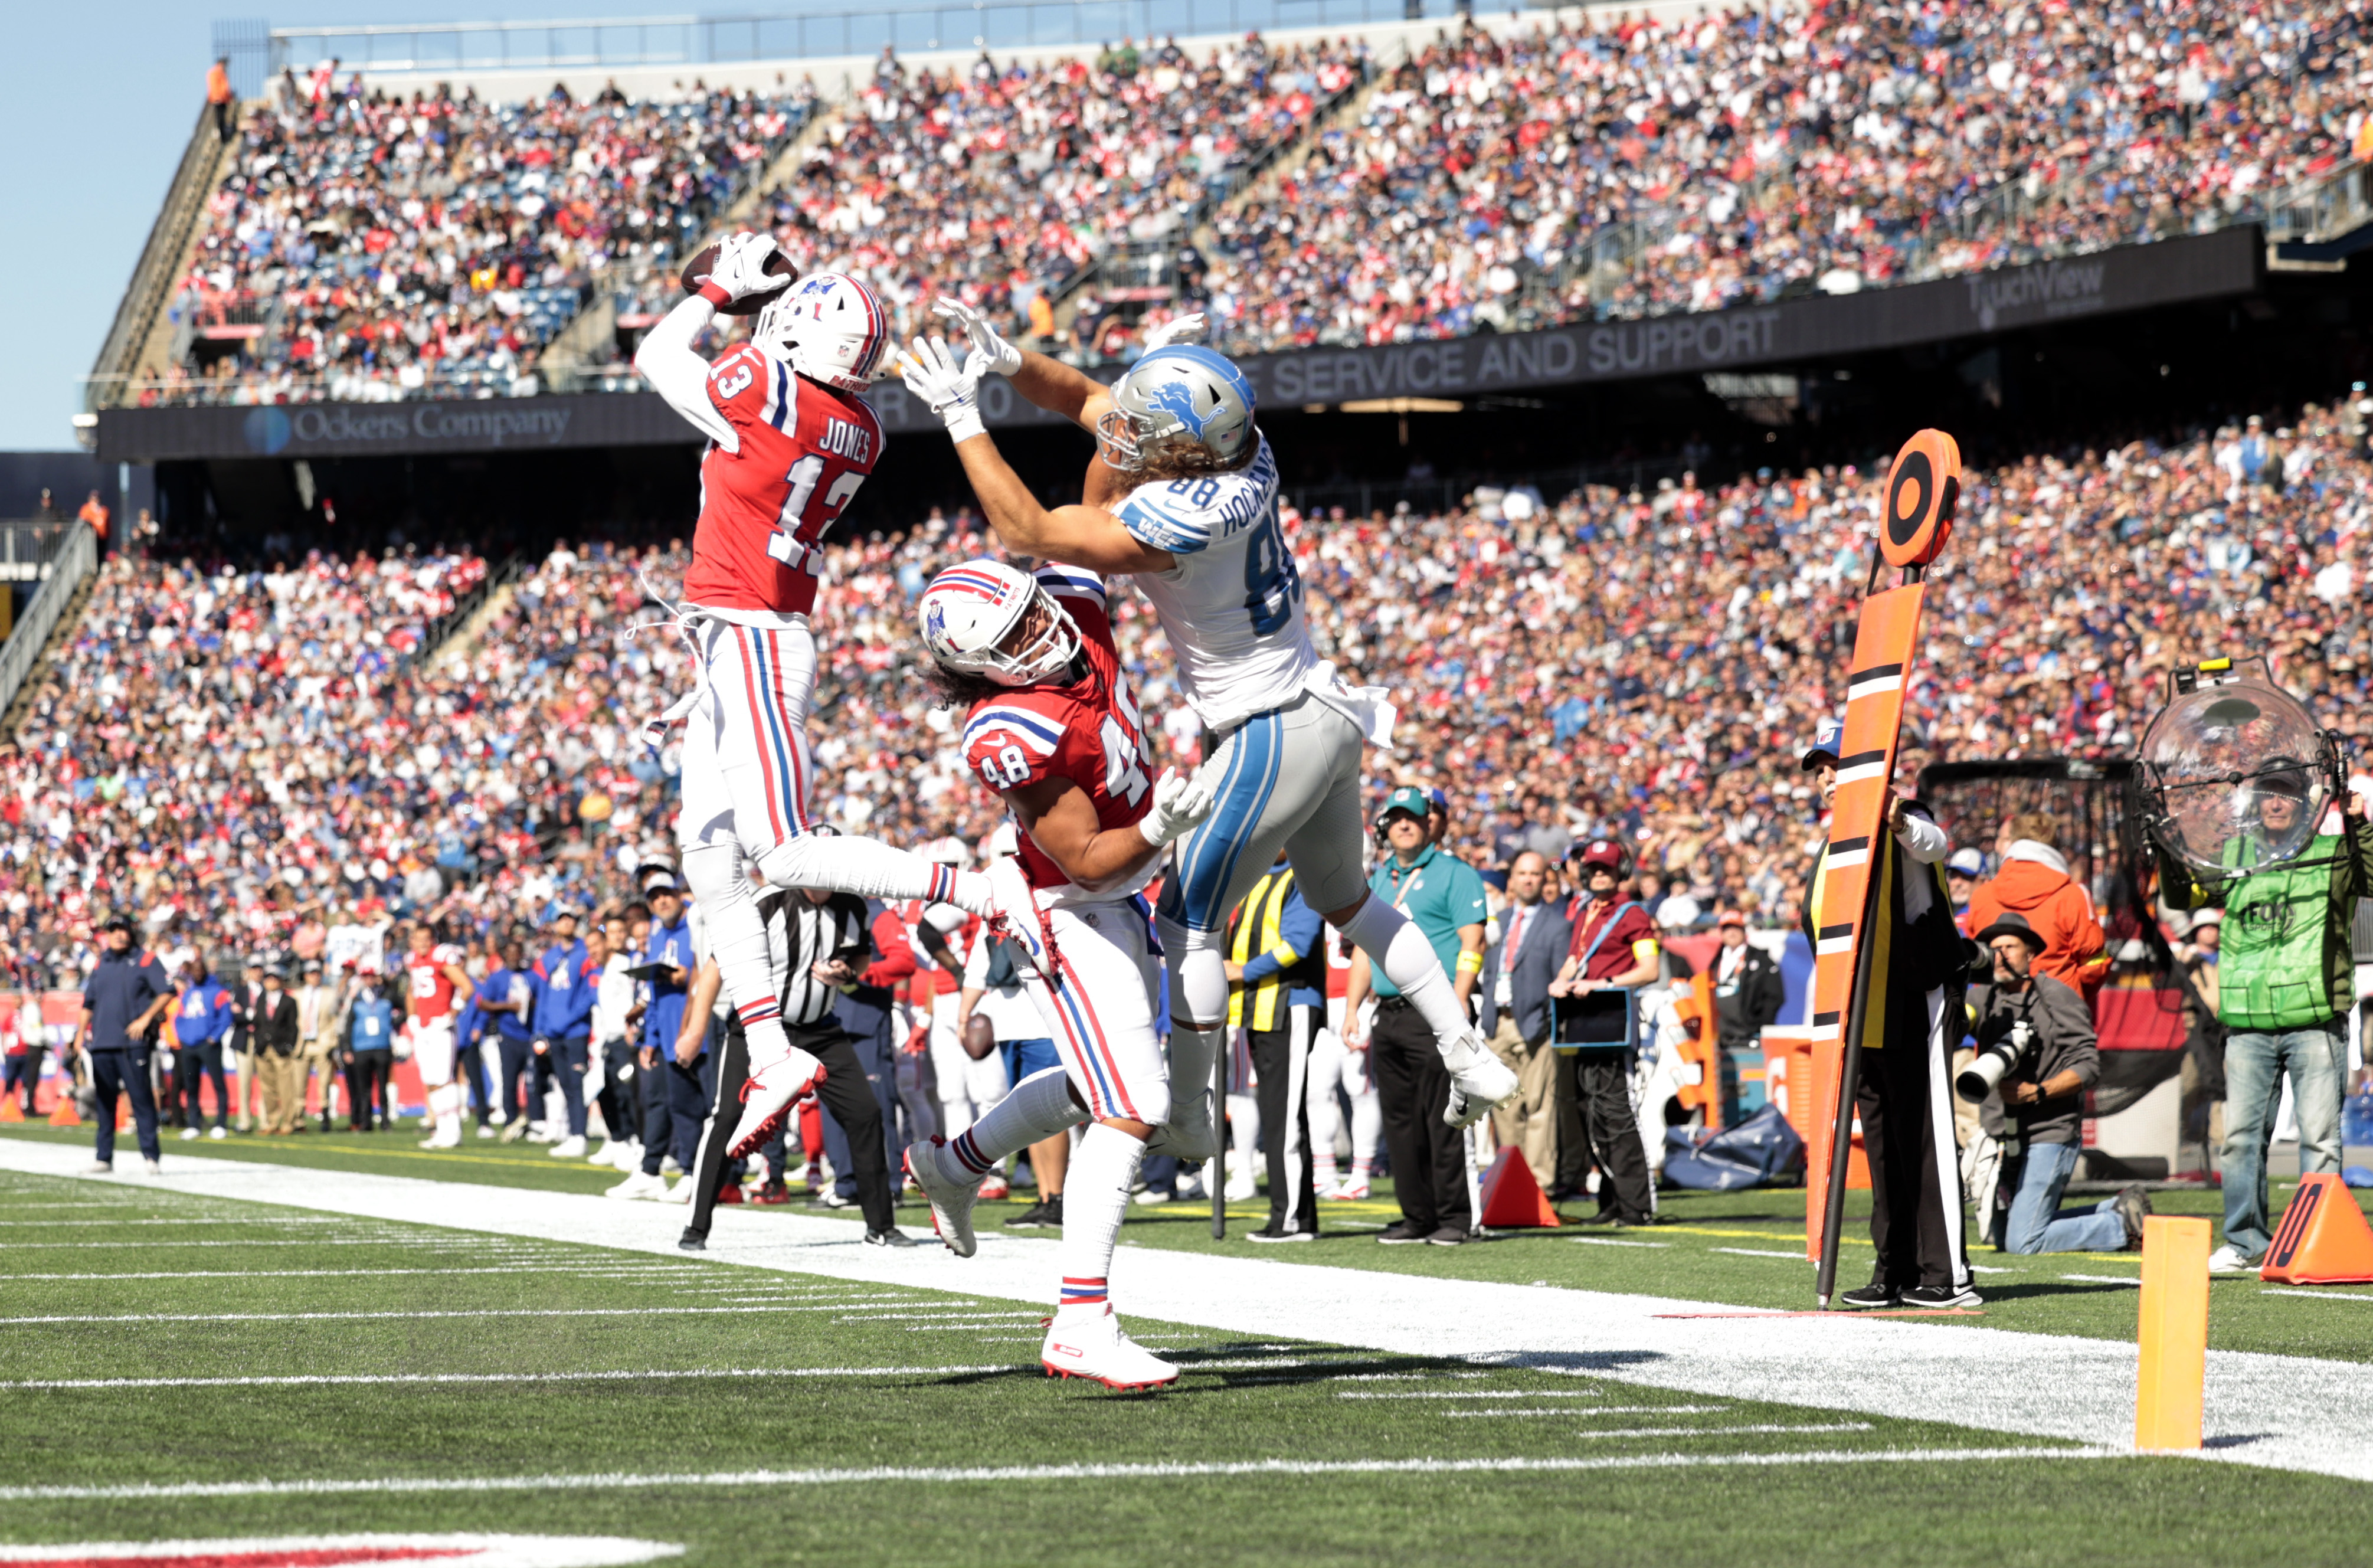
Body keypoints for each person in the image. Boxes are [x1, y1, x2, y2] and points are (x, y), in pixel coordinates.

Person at [898, 304, 1517, 1175]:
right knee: (1353, 902)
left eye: (1150, 428)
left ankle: (1190, 1117)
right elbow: (1095, 406)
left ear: (1182, 449)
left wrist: (964, 414)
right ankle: (1467, 1050)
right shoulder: (1245, 453)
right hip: (1327, 714)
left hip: (1268, 730)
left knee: (1187, 921)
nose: (1129, 432)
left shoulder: (1182, 519)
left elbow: (1032, 533)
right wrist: (1009, 361)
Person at [633, 234, 996, 1163]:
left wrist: (718, 287)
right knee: (705, 855)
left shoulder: (766, 385)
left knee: (780, 848)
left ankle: (972, 889)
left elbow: (656, 356)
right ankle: (766, 1050)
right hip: (740, 635)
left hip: (753, 634)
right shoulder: (860, 428)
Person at [902, 557, 1216, 1390]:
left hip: (1113, 895)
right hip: (1065, 904)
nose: (1042, 630)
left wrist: (986, 420)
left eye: (1033, 611)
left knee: (1099, 1083)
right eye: (1014, 636)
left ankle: (958, 1163)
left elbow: (1059, 528)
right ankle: (1081, 1320)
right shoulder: (1010, 727)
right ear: (981, 667)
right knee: (1134, 1101)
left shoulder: (1070, 612)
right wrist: (1157, 824)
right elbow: (1082, 851)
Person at [2154, 763, 2373, 1274]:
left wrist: (2358, 821)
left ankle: (2310, 1239)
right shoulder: (2232, 857)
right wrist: (2166, 847)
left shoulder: (2331, 854)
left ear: (2307, 804)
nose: (2277, 804)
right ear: (2255, 805)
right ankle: (2245, 1241)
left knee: (2320, 1138)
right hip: (2247, 1020)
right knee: (2240, 1139)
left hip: (2314, 1016)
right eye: (2268, 795)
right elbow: (2179, 896)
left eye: (2288, 795)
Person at [1798, 718, 1978, 1309]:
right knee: (1881, 1144)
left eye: (1836, 766)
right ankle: (1893, 1268)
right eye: (1820, 770)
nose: (1827, 779)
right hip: (1861, 1014)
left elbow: (1934, 843)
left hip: (1913, 998)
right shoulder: (1832, 848)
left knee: (1923, 1136)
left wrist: (1895, 815)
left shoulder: (1900, 818)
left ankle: (1946, 1273)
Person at [1343, 786, 1489, 1246]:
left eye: (1414, 817)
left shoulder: (1454, 873)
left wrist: (1460, 998)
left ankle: (1453, 1217)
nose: (1405, 824)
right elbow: (1366, 949)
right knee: (1400, 1120)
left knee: (1442, 1117)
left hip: (1437, 1009)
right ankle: (1416, 1215)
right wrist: (1351, 1007)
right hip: (1389, 1013)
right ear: (1386, 826)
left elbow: (1473, 942)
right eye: (1397, 817)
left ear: (1429, 824)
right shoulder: (1380, 878)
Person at [1969, 911, 2151, 1254]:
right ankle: (2113, 1210)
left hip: (2049, 1132)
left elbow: (2088, 1066)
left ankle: (2120, 1226)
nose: (2002, 955)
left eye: (2010, 946)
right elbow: (1951, 1029)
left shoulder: (2056, 996)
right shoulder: (1981, 999)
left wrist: (2037, 1092)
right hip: (2003, 1134)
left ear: (2031, 953)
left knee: (2023, 1242)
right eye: (1994, 948)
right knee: (2001, 1234)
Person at [1546, 838, 1660, 1227]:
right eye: (1592, 868)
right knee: (1589, 1113)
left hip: (1614, 1023)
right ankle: (1610, 1201)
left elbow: (1649, 970)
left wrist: (1604, 983)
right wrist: (1560, 980)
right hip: (1584, 1023)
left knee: (1616, 1113)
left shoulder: (1631, 914)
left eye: (1605, 869)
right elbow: (1576, 958)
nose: (1598, 874)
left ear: (1619, 873)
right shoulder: (1583, 911)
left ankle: (1636, 1206)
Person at [1225, 850, 1327, 1241]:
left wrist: (1242, 971)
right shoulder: (1253, 878)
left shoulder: (1300, 876)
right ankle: (1290, 1214)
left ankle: (1291, 1218)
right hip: (1259, 1008)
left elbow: (1298, 944)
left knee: (1284, 1115)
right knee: (1274, 1111)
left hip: (1291, 1004)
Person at [958, 876, 1053, 1226]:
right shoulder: (993, 931)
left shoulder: (1051, 917)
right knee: (1033, 1113)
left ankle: (1056, 1196)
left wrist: (963, 1017)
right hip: (1009, 1028)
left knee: (1053, 1113)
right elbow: (976, 977)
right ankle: (1047, 1196)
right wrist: (963, 1017)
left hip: (1045, 1027)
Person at [1478, 849, 1572, 1194]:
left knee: (1539, 1108)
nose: (1529, 880)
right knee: (1505, 1109)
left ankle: (1539, 1187)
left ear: (1544, 879)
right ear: (1512, 880)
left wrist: (1545, 1019)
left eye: (1536, 874)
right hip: (1497, 1024)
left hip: (1534, 1026)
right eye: (1523, 873)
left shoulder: (1559, 925)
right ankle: (1511, 1184)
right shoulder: (1496, 923)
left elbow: (1562, 976)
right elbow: (1487, 973)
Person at [611, 875, 703, 1199]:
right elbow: (654, 989)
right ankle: (665, 1171)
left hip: (699, 1030)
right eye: (655, 897)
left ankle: (703, 1174)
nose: (662, 902)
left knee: (702, 1105)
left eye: (667, 894)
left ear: (679, 894)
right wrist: (649, 1037)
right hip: (666, 1032)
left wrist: (684, 976)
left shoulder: (697, 919)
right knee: (670, 1105)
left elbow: (709, 971)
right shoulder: (657, 931)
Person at [72, 919, 174, 1174]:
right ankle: (103, 1157)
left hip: (132, 1044)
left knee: (140, 1099)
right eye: (113, 931)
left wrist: (146, 1018)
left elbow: (167, 991)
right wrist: (80, 1033)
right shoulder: (101, 962)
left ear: (130, 933)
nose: (118, 935)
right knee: (105, 1103)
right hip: (102, 1043)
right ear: (107, 935)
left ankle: (151, 1157)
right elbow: (89, 1002)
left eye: (123, 930)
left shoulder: (145, 959)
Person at [1965, 814, 2107, 994]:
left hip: (1996, 1010)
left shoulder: (1981, 896)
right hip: (2058, 1009)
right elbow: (2094, 966)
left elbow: (1977, 960)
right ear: (2055, 844)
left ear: (2013, 841)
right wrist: (2073, 1000)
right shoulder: (2075, 895)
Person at [528, 911, 599, 1157]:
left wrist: (569, 1019)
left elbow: (590, 993)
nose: (566, 923)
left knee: (578, 1084)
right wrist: (539, 1030)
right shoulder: (548, 957)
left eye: (571, 920)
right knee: (565, 1084)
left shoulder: (586, 953)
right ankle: (572, 1133)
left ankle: (581, 1135)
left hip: (576, 1030)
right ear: (556, 925)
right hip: (553, 1032)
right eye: (562, 920)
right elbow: (542, 997)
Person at [1708, 907, 1784, 1124]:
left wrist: (1758, 1027)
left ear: (1744, 931)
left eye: (1736, 928)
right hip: (1722, 1039)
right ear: (1721, 933)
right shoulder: (1716, 962)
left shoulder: (1761, 959)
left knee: (1753, 1095)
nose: (1731, 933)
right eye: (1727, 929)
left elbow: (1775, 997)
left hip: (1749, 1038)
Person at [402, 925, 475, 1148]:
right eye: (417, 939)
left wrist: (451, 1013)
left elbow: (467, 986)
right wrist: (412, 1017)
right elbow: (411, 992)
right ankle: (441, 1130)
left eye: (426, 939)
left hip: (440, 1026)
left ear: (433, 940)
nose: (422, 943)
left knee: (444, 1079)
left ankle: (453, 1131)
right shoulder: (413, 959)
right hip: (423, 1027)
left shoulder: (441, 956)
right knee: (431, 1080)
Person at [474, 940, 535, 1138]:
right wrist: (507, 1006)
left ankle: (536, 1121)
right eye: (509, 952)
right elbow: (483, 1003)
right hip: (508, 1035)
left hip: (531, 1035)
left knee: (534, 1081)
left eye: (516, 952)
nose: (513, 956)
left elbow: (542, 1002)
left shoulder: (532, 976)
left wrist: (530, 1003)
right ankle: (511, 1121)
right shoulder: (497, 978)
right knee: (508, 1081)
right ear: (504, 955)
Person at [171, 957, 232, 1141]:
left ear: (205, 971)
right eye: (194, 970)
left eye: (200, 970)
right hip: (189, 1046)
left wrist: (214, 1037)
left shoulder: (218, 992)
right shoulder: (188, 993)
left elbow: (226, 1017)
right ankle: (194, 1124)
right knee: (191, 1086)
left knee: (218, 1083)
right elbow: (179, 1018)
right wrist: (183, 1037)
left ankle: (221, 1123)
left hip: (208, 1045)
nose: (197, 973)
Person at [294, 959, 345, 1133]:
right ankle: (298, 1119)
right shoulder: (298, 995)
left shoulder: (330, 994)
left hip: (321, 1043)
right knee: (299, 1085)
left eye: (317, 973)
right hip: (302, 1044)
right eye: (311, 973)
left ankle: (325, 1117)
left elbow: (335, 1020)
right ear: (306, 976)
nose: (315, 976)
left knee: (324, 1084)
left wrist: (330, 1042)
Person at [343, 970, 397, 1131]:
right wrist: (347, 1048)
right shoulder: (357, 998)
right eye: (366, 977)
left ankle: (385, 1121)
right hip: (361, 1047)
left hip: (382, 1046)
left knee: (383, 1086)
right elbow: (349, 1024)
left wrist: (393, 1023)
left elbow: (405, 1006)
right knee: (364, 1088)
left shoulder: (386, 995)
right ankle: (366, 1122)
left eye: (372, 977)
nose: (369, 980)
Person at [253, 967, 303, 1134]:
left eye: (275, 978)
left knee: (286, 1088)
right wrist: (258, 1042)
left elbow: (293, 1027)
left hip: (280, 1049)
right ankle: (272, 1121)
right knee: (267, 1089)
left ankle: (289, 1122)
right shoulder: (261, 999)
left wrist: (288, 1046)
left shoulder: (289, 1001)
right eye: (268, 978)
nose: (271, 981)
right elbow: (258, 1024)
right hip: (263, 1049)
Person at [207, 55, 236, 140]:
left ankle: (223, 135)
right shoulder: (218, 72)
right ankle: (222, 136)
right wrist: (226, 96)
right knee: (220, 117)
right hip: (220, 97)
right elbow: (221, 86)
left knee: (222, 116)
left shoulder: (215, 72)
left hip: (220, 97)